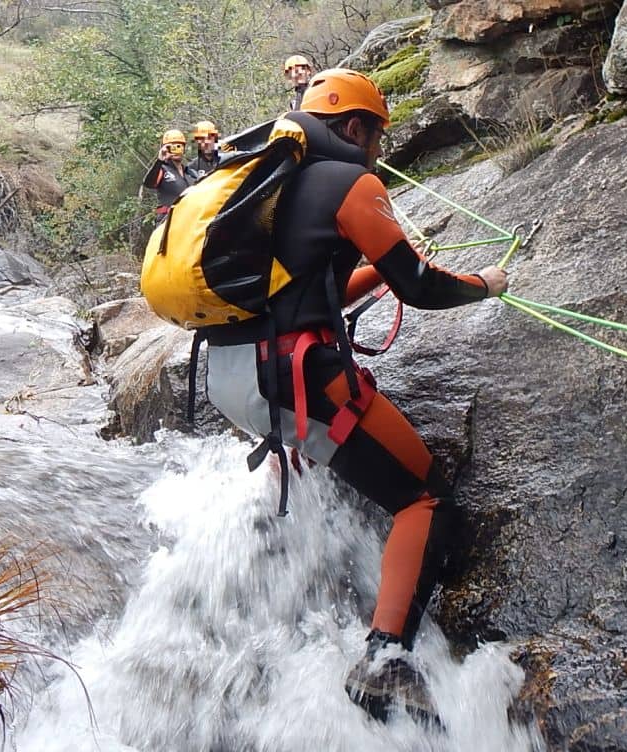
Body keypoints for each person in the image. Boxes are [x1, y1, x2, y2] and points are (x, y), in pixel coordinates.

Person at [200, 69, 508, 723]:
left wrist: (377, 274)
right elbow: (421, 286)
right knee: (423, 495)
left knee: (365, 459)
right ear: (355, 126)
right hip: (299, 378)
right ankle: (385, 660)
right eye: (375, 135)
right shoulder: (351, 182)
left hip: (235, 378)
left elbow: (309, 292)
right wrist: (485, 283)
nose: (378, 152)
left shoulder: (274, 189)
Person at [142, 129, 192, 217]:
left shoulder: (190, 173)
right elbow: (149, 183)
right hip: (167, 220)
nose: (175, 149)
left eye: (179, 146)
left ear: (184, 148)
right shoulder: (161, 169)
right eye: (171, 147)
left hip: (187, 218)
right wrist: (160, 160)